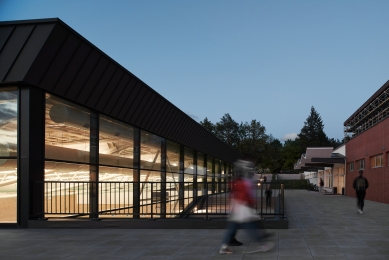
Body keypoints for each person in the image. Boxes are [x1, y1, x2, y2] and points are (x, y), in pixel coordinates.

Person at [219, 160, 273, 254]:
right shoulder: (242, 182)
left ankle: (224, 247)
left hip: (235, 208)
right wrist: (252, 202)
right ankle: (263, 244)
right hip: (242, 209)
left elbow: (233, 194)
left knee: (232, 228)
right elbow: (244, 196)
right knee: (251, 227)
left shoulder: (235, 182)